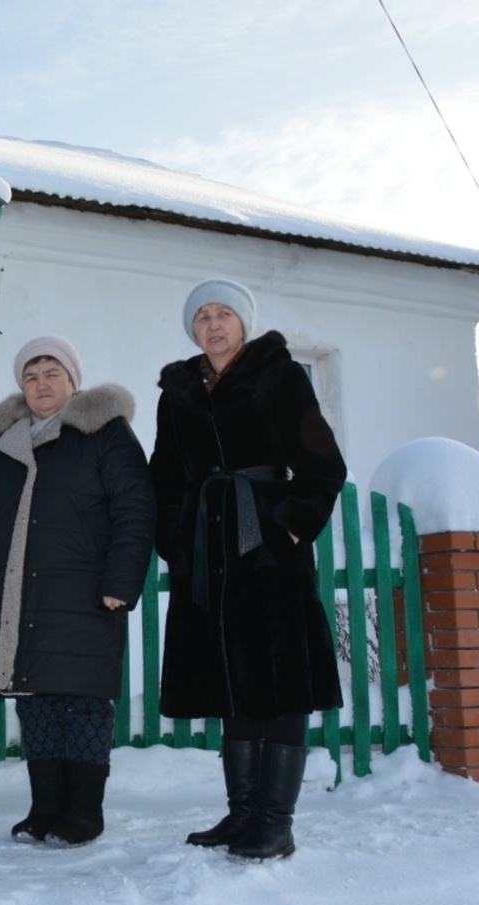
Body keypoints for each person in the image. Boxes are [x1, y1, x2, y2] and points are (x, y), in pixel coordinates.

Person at [150, 280, 346, 861]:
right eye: (203, 316)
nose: (213, 325)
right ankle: (241, 815)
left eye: (224, 315)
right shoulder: (177, 391)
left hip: (268, 553)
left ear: (244, 323)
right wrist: (175, 540)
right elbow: (164, 473)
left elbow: (323, 465)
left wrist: (286, 528)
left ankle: (276, 822)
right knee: (231, 682)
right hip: (207, 555)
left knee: (278, 684)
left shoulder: (281, 376)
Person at [0, 336, 155, 846]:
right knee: (34, 700)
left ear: (73, 382)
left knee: (80, 701)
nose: (41, 384)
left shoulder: (105, 433)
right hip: (12, 593)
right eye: (31, 376)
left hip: (82, 591)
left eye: (51, 373)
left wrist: (121, 582)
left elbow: (135, 508)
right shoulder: (2, 444)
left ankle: (83, 812)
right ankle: (44, 807)